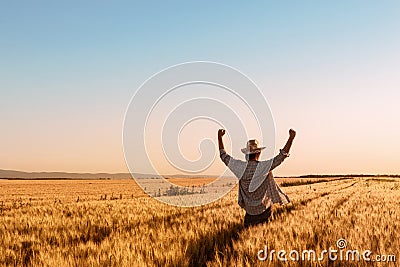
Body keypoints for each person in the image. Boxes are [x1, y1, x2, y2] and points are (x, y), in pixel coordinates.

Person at [218, 128, 296, 227]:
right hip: (265, 212)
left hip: (250, 214)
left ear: (246, 154)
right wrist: (291, 138)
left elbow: (223, 155)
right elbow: (281, 156)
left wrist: (219, 137)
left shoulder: (239, 168)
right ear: (258, 153)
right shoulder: (264, 167)